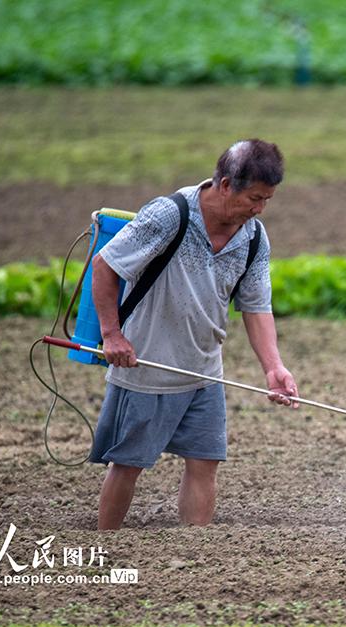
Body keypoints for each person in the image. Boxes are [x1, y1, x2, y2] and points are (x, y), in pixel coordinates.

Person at [88, 139, 298, 530]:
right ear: (224, 185)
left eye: (267, 200)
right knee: (129, 463)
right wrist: (112, 335)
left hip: (204, 370)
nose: (259, 209)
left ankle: (195, 548)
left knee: (205, 461)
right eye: (254, 197)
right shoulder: (171, 215)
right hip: (146, 366)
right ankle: (105, 543)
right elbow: (105, 265)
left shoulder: (253, 236)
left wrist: (274, 368)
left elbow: (256, 306)